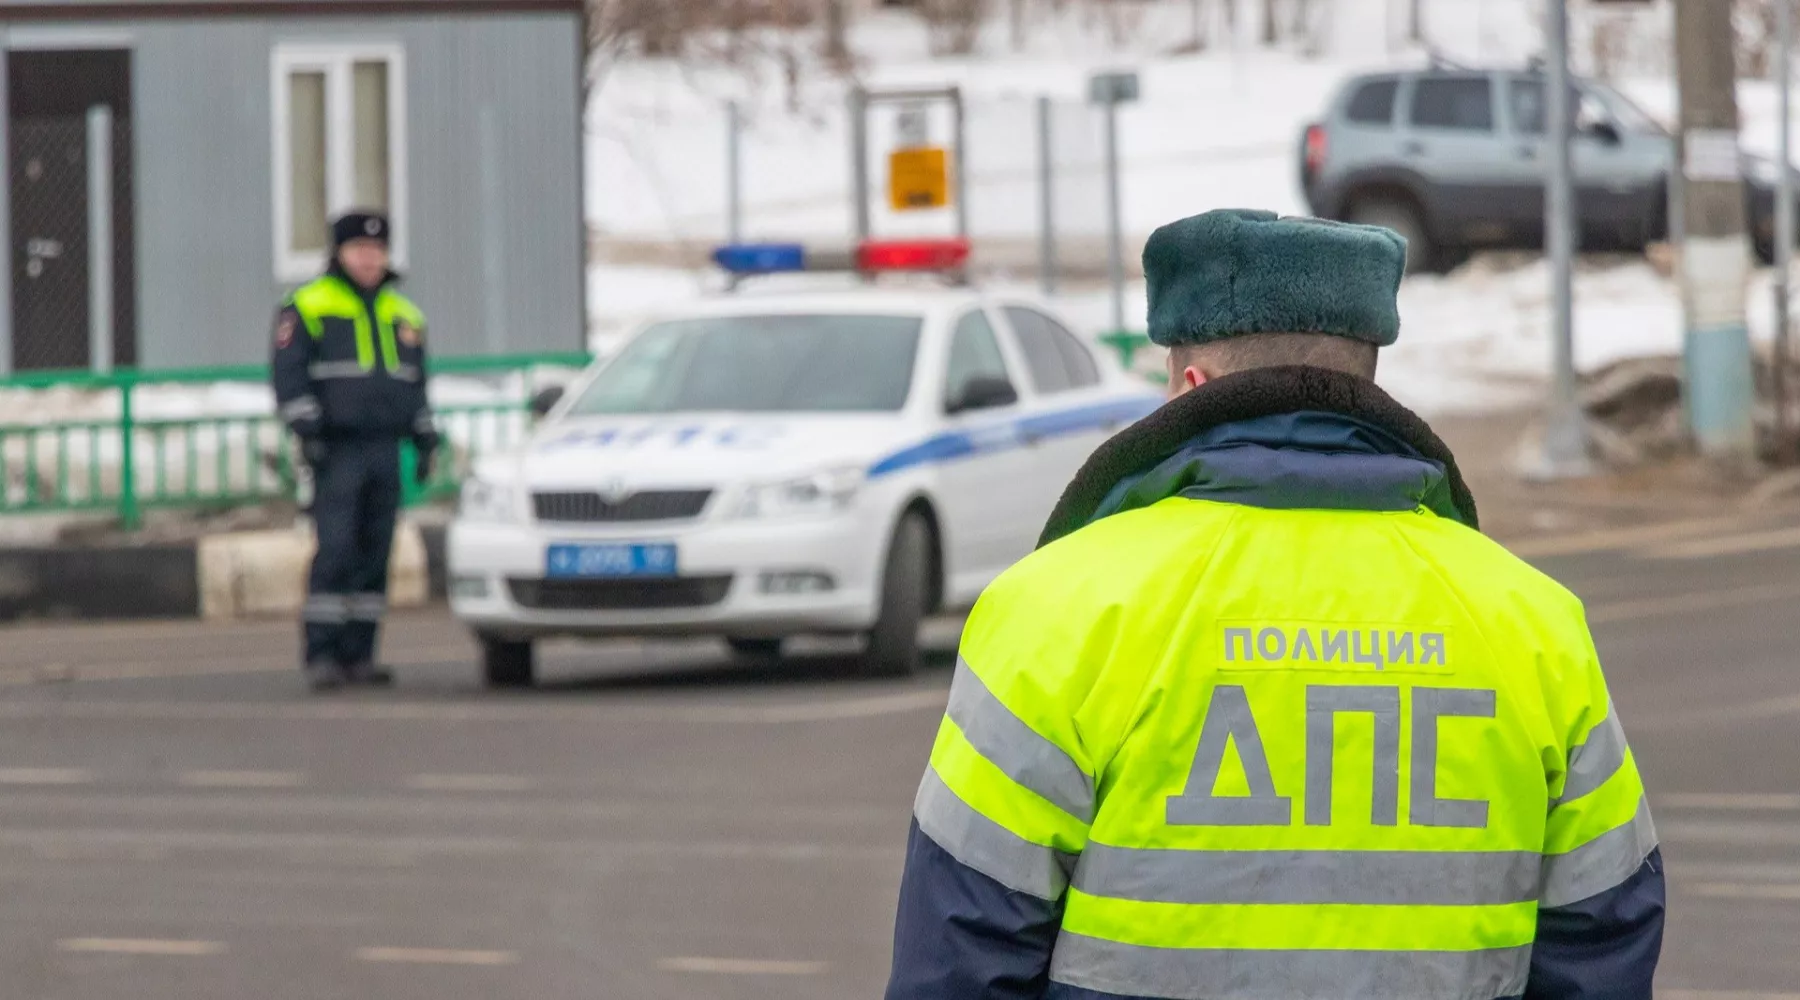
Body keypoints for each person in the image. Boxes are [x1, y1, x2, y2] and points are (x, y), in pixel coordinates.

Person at [884, 209, 1663, 1000]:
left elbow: (960, 951)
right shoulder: (1533, 624)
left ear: (1191, 387)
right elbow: (1602, 938)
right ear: (1366, 385)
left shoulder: (1054, 611)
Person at [272, 211, 438, 692]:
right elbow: (289, 374)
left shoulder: (404, 315)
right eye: (359, 250)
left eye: (377, 250)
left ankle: (361, 655)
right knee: (337, 550)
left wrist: (424, 438)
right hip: (338, 449)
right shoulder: (307, 305)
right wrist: (308, 430)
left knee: (374, 553)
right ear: (339, 253)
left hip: (386, 448)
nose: (369, 258)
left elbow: (416, 386)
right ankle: (322, 653)